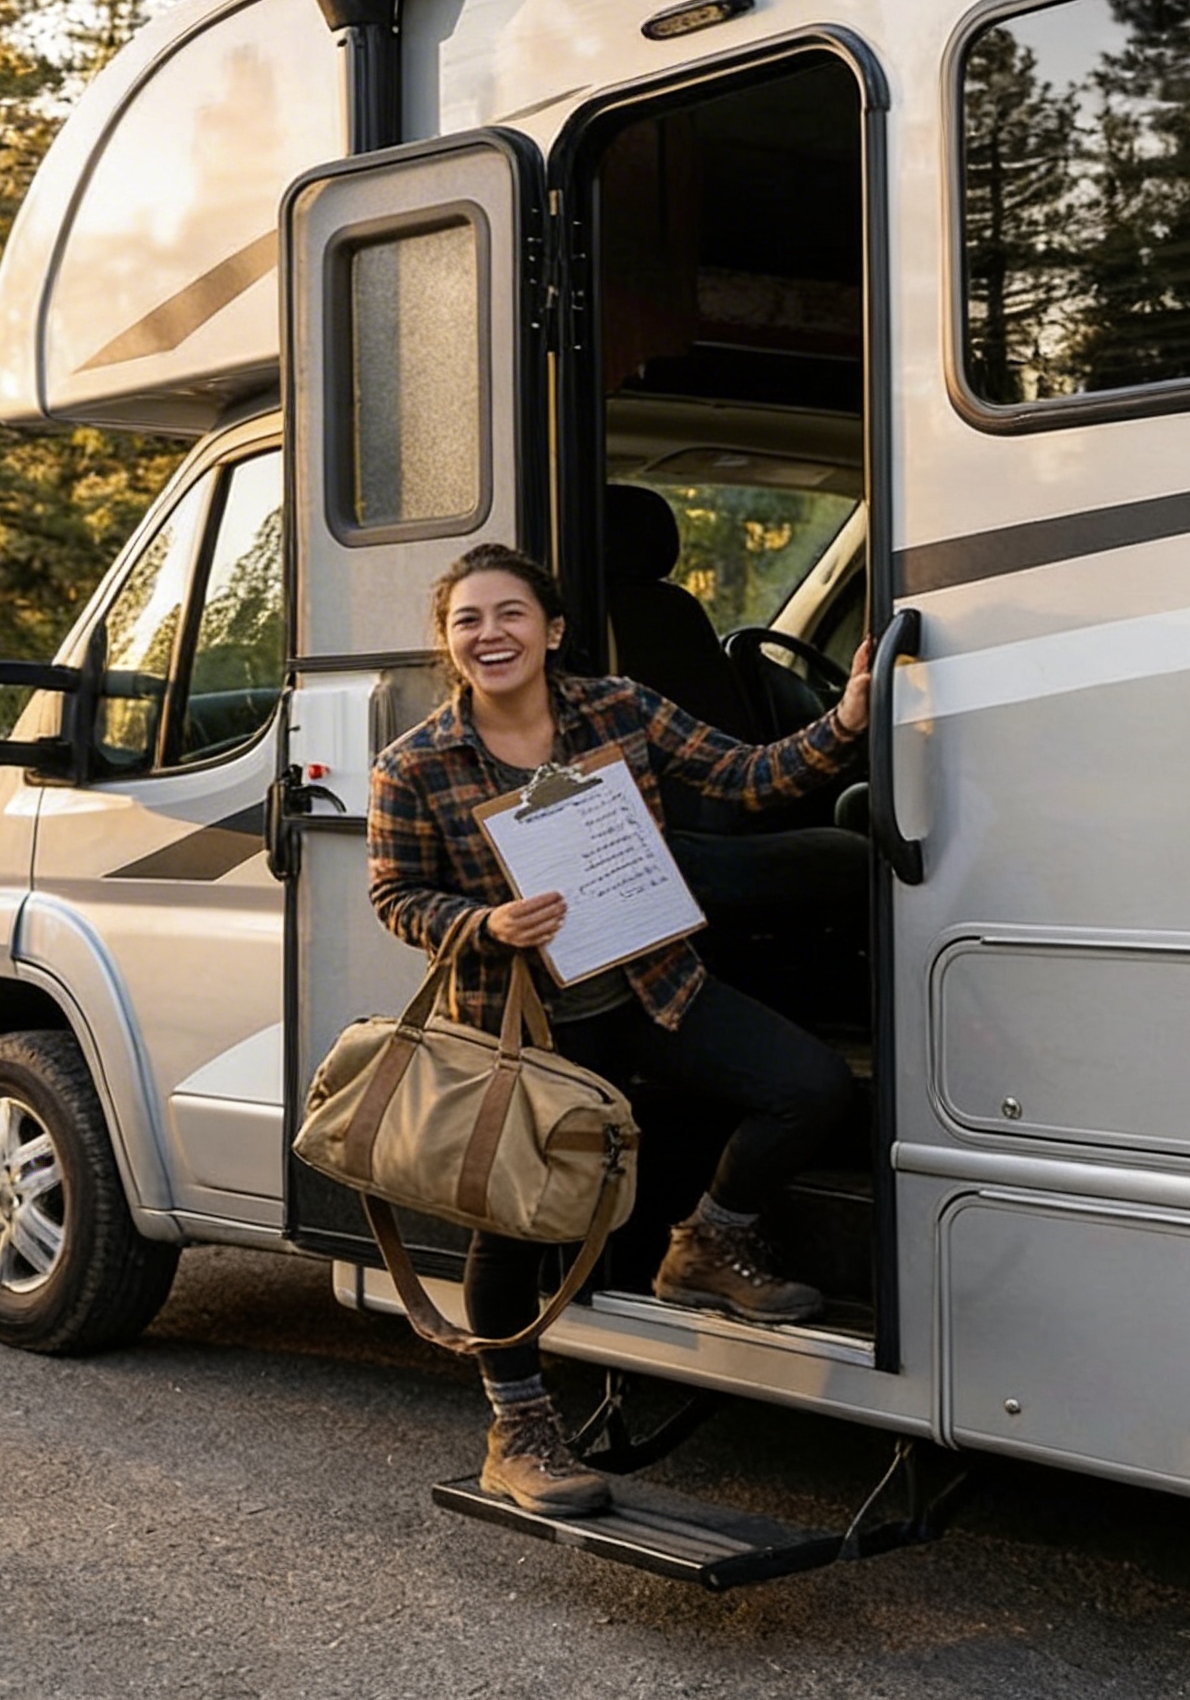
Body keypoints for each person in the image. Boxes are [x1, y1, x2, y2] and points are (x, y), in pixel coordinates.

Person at [366, 542, 870, 1519]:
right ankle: (518, 1429)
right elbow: (392, 895)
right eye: (466, 619)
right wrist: (481, 924)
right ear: (447, 641)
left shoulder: (617, 710)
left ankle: (705, 1245)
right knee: (509, 1230)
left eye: (508, 613)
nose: (488, 633)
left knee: (809, 1084)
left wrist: (844, 724)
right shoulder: (414, 763)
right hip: (523, 1024)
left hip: (650, 988)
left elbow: (746, 776)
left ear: (551, 629)